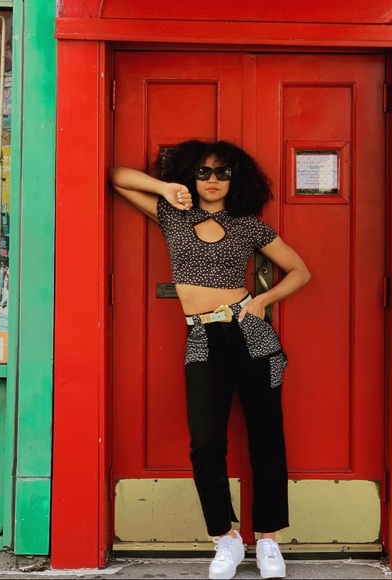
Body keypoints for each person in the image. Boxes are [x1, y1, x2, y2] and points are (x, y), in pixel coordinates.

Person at [109, 140, 310, 580]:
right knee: (205, 442)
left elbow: (300, 271)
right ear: (191, 176)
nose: (213, 180)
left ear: (236, 179)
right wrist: (164, 188)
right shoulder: (172, 215)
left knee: (266, 439)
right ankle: (226, 537)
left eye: (222, 172)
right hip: (202, 337)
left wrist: (263, 300)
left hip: (252, 336)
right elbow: (117, 177)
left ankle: (269, 539)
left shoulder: (248, 226)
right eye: (203, 172)